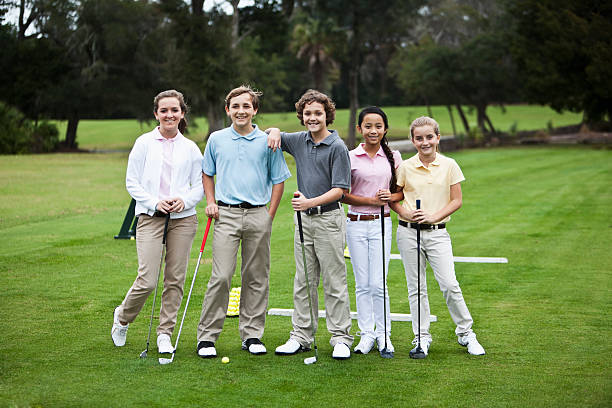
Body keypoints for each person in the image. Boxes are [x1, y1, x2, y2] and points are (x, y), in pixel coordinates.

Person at [196, 85, 290, 358]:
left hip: (258, 214)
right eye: (235, 106)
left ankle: (251, 335)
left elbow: (278, 181)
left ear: (255, 110)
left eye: (246, 106)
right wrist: (211, 202)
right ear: (228, 110)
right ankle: (207, 337)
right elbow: (207, 173)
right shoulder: (216, 139)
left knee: (256, 277)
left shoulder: (268, 141)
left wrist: (268, 216)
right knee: (222, 275)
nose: (241, 111)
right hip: (225, 215)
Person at [111, 90, 204, 354]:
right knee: (148, 280)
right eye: (164, 110)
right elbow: (132, 182)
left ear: (182, 114)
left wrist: (184, 201)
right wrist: (155, 202)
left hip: (183, 220)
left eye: (174, 110)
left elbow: (199, 186)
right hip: (151, 217)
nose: (169, 115)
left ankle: (165, 333)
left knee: (175, 280)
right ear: (156, 114)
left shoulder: (190, 148)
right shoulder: (143, 143)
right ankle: (122, 317)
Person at [267, 89, 354, 360]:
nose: (313, 118)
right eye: (307, 114)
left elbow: (340, 189)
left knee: (333, 280)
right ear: (302, 116)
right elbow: (274, 134)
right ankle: (301, 335)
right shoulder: (298, 140)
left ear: (327, 115)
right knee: (304, 280)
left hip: (328, 218)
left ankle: (341, 338)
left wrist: (310, 202)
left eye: (318, 113)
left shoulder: (337, 147)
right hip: (303, 221)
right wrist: (275, 130)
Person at [391, 116, 485, 357]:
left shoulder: (450, 165)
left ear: (437, 138)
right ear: (413, 140)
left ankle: (466, 333)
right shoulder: (405, 167)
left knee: (450, 284)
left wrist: (433, 217)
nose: (425, 142)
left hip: (437, 233)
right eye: (419, 138)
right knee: (416, 287)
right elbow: (395, 199)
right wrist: (406, 213)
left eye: (429, 137)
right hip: (408, 233)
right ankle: (421, 338)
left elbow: (457, 201)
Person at [342, 107, 403, 356]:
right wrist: (368, 201)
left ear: (385, 129)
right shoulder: (350, 156)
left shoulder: (393, 157)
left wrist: (390, 197)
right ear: (360, 129)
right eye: (368, 126)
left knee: (378, 283)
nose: (373, 131)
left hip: (382, 223)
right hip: (356, 223)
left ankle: (384, 335)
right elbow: (342, 194)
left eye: (378, 126)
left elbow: (401, 192)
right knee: (362, 283)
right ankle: (366, 334)